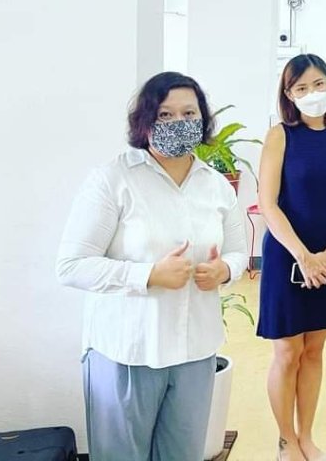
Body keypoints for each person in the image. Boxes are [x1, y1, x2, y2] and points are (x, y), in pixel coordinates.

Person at [56, 72, 247, 461]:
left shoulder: (216, 185)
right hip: (127, 351)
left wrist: (224, 271)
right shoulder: (113, 179)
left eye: (189, 113)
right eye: (165, 114)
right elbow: (72, 265)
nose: (179, 122)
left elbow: (238, 252)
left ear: (203, 119)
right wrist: (147, 275)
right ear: (145, 120)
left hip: (195, 351)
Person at [256, 54, 326, 461]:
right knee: (288, 352)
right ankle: (286, 439)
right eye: (301, 87)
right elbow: (268, 204)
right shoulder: (279, 136)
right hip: (288, 253)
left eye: (318, 84)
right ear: (288, 94)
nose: (312, 93)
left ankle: (307, 436)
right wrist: (303, 256)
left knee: (315, 349)